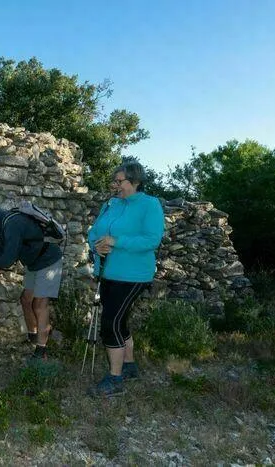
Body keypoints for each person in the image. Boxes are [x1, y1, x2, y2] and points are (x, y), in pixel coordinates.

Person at [87, 161, 164, 397]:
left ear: (136, 181)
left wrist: (116, 242)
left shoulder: (150, 205)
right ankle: (129, 367)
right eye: (115, 181)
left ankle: (116, 379)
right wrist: (95, 247)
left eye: (120, 181)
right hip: (107, 272)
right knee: (119, 321)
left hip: (133, 275)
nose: (116, 185)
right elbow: (94, 233)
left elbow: (152, 240)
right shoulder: (110, 204)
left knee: (110, 324)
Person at [0, 199, 63, 360]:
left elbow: (6, 260)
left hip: (48, 260)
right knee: (26, 299)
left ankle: (41, 352)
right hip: (34, 262)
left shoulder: (11, 225)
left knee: (40, 305)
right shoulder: (3, 224)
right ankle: (33, 338)